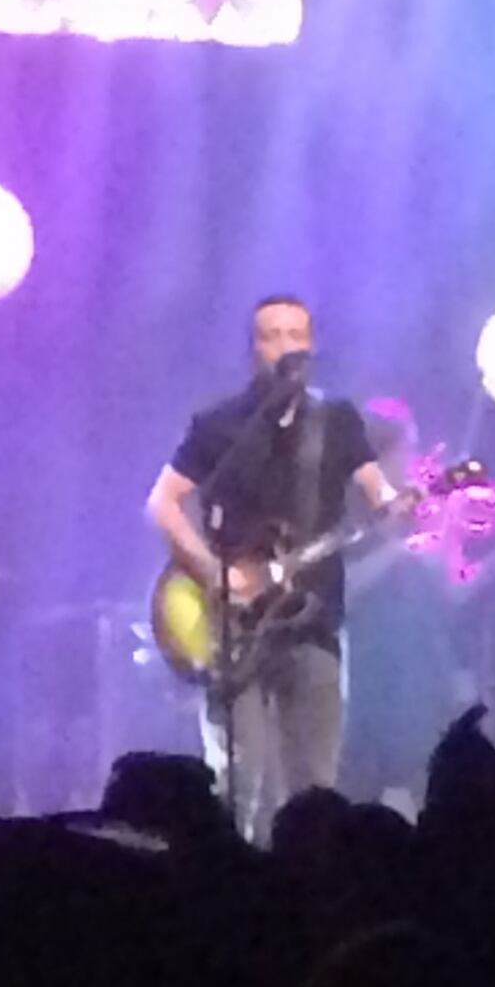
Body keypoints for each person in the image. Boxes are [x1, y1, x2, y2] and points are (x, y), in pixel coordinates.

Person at [146, 294, 405, 841]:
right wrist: (218, 573)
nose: (287, 346)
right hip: (235, 630)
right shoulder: (220, 426)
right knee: (241, 784)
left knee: (315, 791)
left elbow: (381, 497)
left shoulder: (336, 420)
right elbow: (162, 504)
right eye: (273, 335)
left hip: (312, 622)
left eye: (297, 334)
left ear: (312, 347)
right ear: (253, 349)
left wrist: (403, 506)